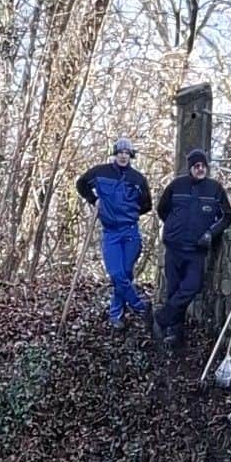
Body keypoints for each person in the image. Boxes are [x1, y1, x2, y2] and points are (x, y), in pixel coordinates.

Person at [152, 147, 231, 349]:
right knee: (173, 289)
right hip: (174, 246)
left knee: (191, 287)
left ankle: (161, 318)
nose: (200, 169)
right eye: (196, 166)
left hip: (197, 249)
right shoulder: (176, 185)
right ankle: (175, 334)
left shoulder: (215, 189)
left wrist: (210, 234)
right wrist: (173, 227)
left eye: (203, 166)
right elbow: (162, 209)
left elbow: (227, 216)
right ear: (190, 168)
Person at [74, 137, 154, 326]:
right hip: (111, 232)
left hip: (131, 232)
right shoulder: (100, 173)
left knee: (125, 274)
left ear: (131, 156)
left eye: (127, 153)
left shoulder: (138, 179)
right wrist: (93, 200)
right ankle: (139, 306)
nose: (123, 156)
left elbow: (147, 205)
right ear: (115, 154)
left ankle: (115, 315)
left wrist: (129, 212)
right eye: (120, 153)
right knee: (117, 274)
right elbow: (81, 184)